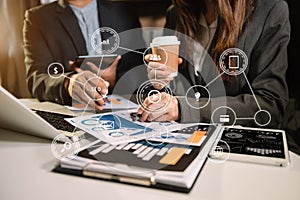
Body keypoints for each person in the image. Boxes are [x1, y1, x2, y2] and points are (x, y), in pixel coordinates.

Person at [138, 0, 290, 128]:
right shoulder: (177, 13)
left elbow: (270, 105)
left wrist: (186, 109)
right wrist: (159, 83)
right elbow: (176, 93)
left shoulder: (270, 10)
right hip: (186, 138)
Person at [23, 0, 144, 110]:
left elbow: (140, 70)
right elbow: (37, 80)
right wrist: (69, 83)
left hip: (120, 110)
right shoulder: (37, 18)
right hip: (70, 112)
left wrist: (114, 80)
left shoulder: (125, 12)